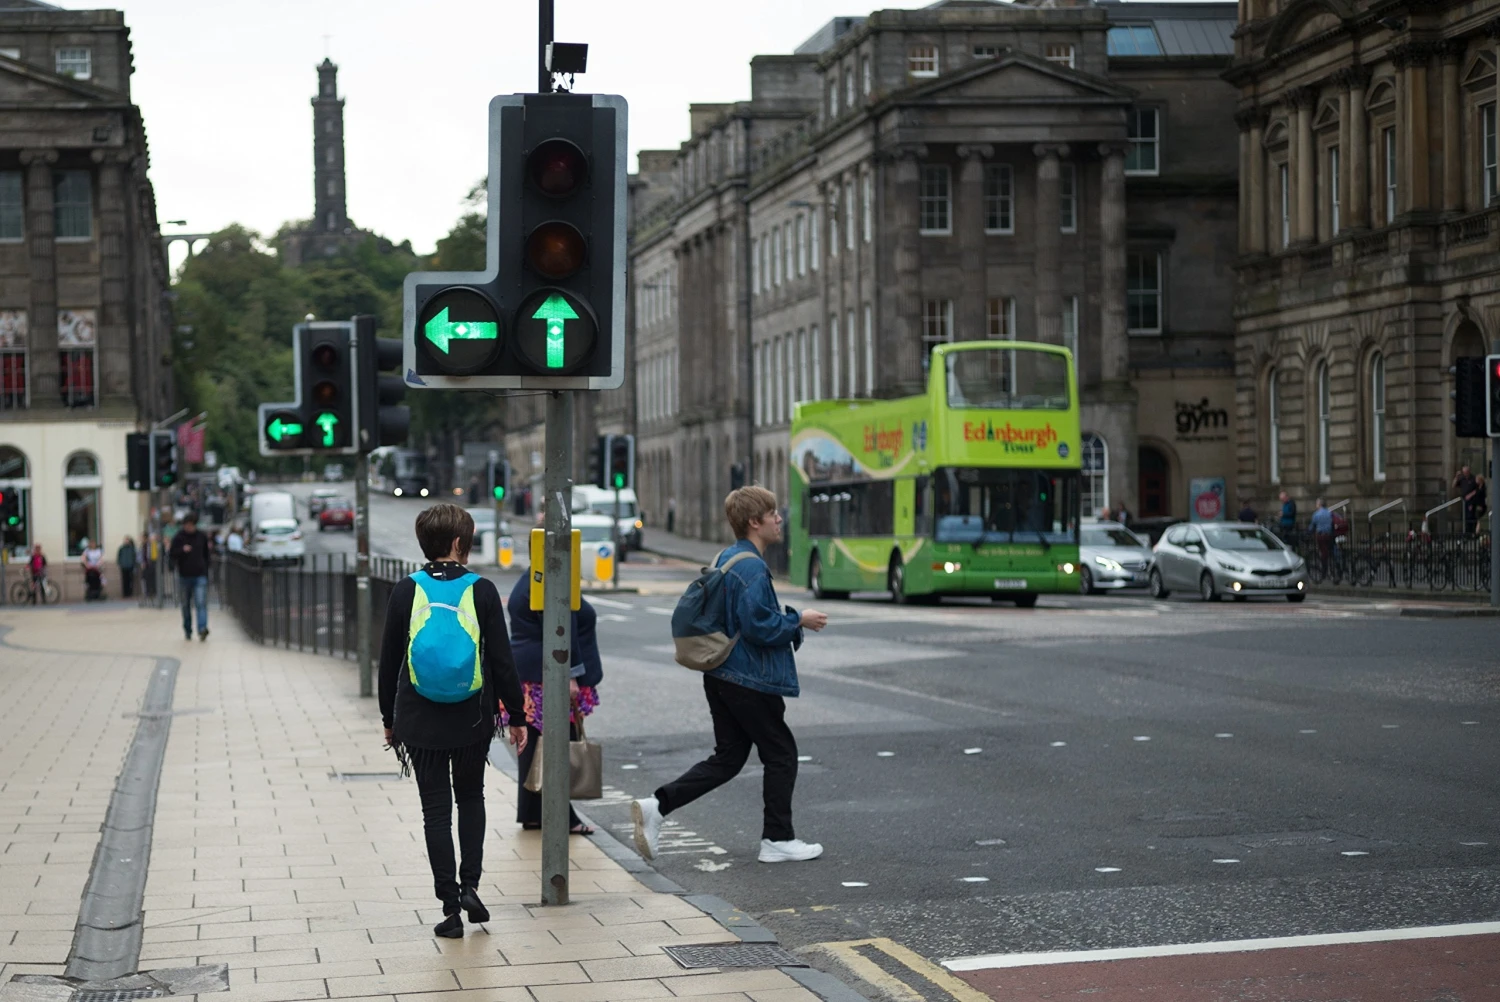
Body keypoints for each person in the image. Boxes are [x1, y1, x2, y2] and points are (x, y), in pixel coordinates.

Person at [633, 486, 829, 865]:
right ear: (755, 522)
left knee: (729, 758)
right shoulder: (752, 566)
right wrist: (798, 619)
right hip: (748, 678)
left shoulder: (728, 556)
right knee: (781, 754)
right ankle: (777, 838)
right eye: (772, 513)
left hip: (722, 675)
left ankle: (657, 806)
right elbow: (759, 626)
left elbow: (741, 617)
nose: (778, 519)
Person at [378, 504, 527, 939]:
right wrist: (516, 715)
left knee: (435, 812)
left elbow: (389, 663)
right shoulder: (481, 590)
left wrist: (390, 719)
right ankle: (471, 885)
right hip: (472, 716)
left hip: (419, 718)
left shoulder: (406, 590)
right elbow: (502, 660)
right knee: (472, 798)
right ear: (460, 544)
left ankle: (449, 908)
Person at [505, 568, 603, 835]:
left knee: (535, 743)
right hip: (547, 673)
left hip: (531, 672)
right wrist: (570, 674)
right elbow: (559, 626)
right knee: (559, 744)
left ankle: (533, 813)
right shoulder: (551, 579)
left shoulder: (532, 579)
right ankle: (563, 816)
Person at [168, 514, 212, 641]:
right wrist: (182, 550)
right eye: (186, 525)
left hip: (200, 575)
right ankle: (188, 629)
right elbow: (172, 554)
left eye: (191, 525)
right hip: (184, 576)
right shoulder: (179, 537)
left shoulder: (201, 537)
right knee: (185, 605)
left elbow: (206, 555)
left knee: (200, 603)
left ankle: (202, 628)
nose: (188, 527)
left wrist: (206, 569)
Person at [1310, 498, 1334, 569]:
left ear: (1319, 504)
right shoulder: (1329, 513)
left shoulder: (1316, 514)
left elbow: (1312, 526)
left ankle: (1324, 569)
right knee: (1329, 550)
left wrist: (1308, 531)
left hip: (1321, 536)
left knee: (1323, 552)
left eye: (1317, 503)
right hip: (1329, 535)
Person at [1453, 465, 1478, 533]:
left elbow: (1477, 489)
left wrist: (1470, 495)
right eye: (1464, 472)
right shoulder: (1462, 478)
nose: (1465, 474)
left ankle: (1472, 532)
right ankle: (1466, 532)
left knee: (1471, 517)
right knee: (1464, 517)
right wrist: (1456, 477)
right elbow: (1454, 485)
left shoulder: (1473, 478)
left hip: (1471, 501)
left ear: (1469, 471)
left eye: (1466, 472)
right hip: (1464, 501)